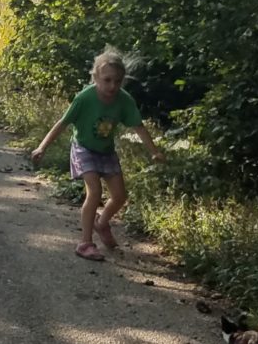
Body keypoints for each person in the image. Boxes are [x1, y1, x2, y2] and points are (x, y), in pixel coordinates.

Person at [31, 49, 165, 261]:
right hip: (83, 148)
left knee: (120, 196)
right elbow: (63, 123)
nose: (112, 86)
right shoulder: (84, 98)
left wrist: (154, 151)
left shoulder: (124, 100)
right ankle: (85, 243)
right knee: (94, 191)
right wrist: (42, 147)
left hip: (106, 151)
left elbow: (138, 127)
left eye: (117, 81)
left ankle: (101, 223)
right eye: (107, 80)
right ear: (96, 78)